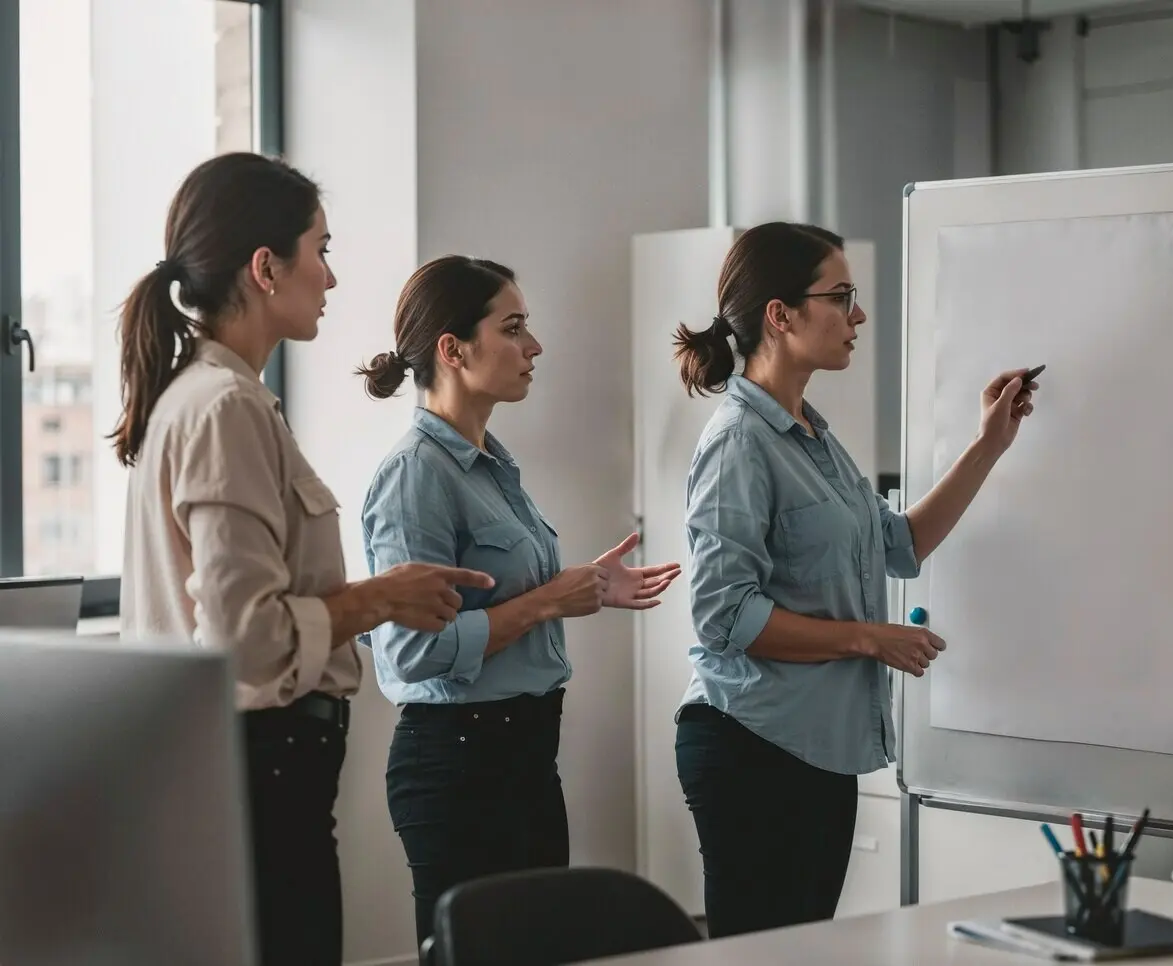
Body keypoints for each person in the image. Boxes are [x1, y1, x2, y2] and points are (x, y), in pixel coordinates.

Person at [114, 153, 494, 966]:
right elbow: (243, 638)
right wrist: (380, 599)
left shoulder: (209, 398)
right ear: (264, 268)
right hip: (262, 769)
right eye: (320, 250)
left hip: (246, 768)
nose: (329, 277)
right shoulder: (224, 407)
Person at [670, 221, 1038, 938]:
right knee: (766, 956)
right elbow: (724, 618)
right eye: (841, 297)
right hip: (751, 744)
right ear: (781, 314)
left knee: (804, 947)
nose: (858, 316)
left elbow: (901, 543)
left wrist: (989, 444)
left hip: (813, 748)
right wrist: (868, 639)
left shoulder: (812, 435)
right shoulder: (739, 443)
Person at [356, 254, 681, 947]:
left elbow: (507, 594)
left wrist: (583, 586)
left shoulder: (492, 466)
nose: (534, 347)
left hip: (526, 759)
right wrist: (545, 605)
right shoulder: (416, 476)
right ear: (453, 349)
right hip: (459, 765)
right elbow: (411, 652)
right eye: (513, 328)